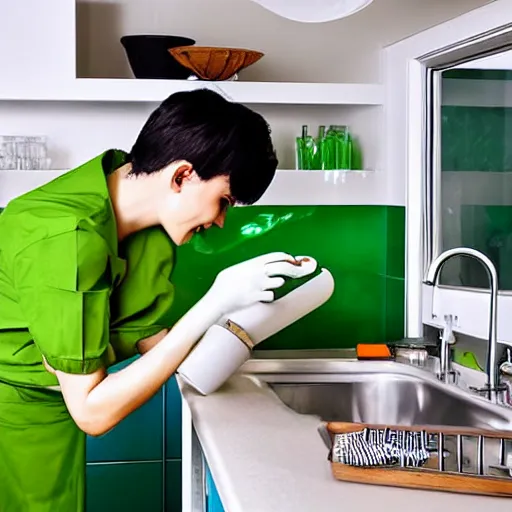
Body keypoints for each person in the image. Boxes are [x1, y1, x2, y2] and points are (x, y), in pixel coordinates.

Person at [0, 89, 309, 511]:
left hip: (54, 405)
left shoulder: (148, 230)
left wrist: (246, 318)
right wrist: (212, 303)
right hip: (13, 411)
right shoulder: (64, 239)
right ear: (181, 176)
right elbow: (93, 413)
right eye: (224, 201)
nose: (221, 221)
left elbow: (160, 346)